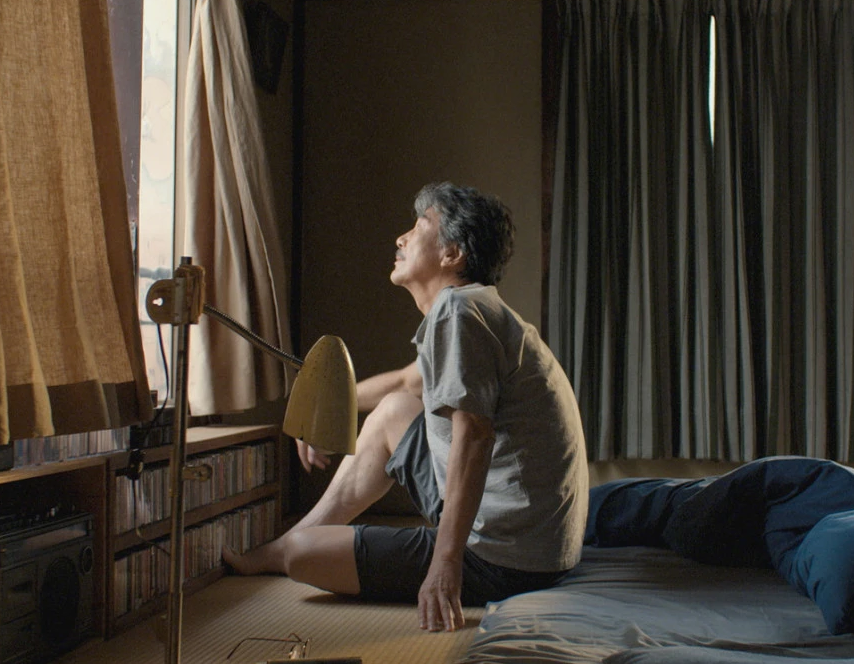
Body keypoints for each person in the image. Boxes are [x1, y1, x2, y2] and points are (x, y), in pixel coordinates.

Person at [223, 182, 589, 632]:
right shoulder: (472, 310)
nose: (401, 238)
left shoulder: (459, 313)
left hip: (506, 557)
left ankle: (289, 548)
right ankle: (286, 543)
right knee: (395, 408)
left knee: (303, 558)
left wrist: (445, 563)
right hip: (537, 546)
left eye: (418, 228)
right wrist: (318, 414)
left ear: (452, 253)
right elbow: (404, 382)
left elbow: (475, 435)